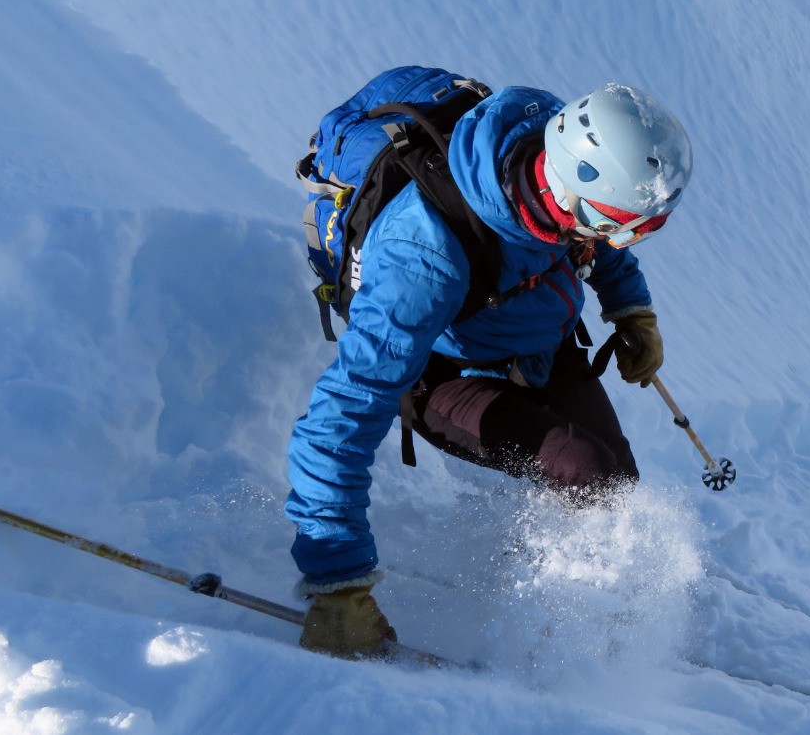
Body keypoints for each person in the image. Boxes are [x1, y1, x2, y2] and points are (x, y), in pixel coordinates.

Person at [285, 79, 692, 658]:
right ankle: (551, 623)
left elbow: (597, 243)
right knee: (585, 469)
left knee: (613, 486)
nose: (634, 238)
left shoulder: (549, 152)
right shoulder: (422, 256)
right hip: (443, 374)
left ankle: (583, 600)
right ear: (576, 199)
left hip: (538, 336)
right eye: (633, 225)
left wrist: (630, 307)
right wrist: (336, 583)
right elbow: (341, 414)